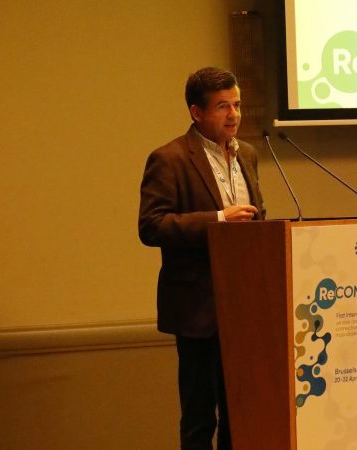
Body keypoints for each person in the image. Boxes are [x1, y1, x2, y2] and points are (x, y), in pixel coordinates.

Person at [139, 67, 265, 450]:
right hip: (198, 309)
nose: (234, 115)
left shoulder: (248, 155)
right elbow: (152, 226)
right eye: (222, 106)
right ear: (196, 112)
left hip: (245, 308)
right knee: (199, 420)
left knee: (240, 415)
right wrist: (218, 219)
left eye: (237, 104)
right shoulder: (170, 159)